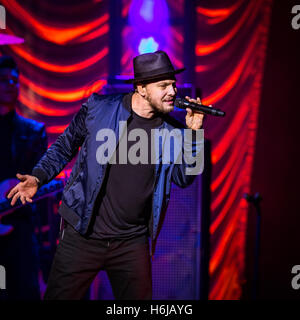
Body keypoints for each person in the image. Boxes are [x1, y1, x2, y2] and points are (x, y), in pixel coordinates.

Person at [7, 50, 205, 300]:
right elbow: (64, 145)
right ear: (141, 88)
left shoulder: (172, 131)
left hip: (131, 242)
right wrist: (38, 177)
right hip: (83, 234)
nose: (173, 92)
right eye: (163, 85)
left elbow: (185, 178)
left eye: (174, 85)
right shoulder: (99, 109)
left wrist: (194, 134)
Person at [0, 55, 48, 300]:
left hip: (20, 228)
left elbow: (43, 181)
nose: (10, 85)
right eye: (3, 80)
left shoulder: (33, 132)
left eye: (14, 80)